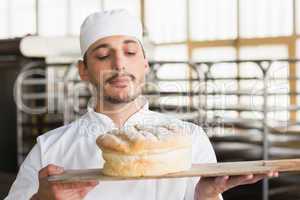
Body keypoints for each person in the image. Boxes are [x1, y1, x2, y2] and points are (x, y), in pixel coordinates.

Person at [5, 9, 278, 200]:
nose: (119, 63)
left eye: (130, 52)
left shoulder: (189, 138)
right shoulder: (49, 148)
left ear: (145, 64)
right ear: (83, 70)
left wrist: (205, 196)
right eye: (103, 55)